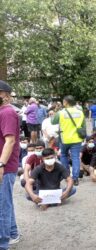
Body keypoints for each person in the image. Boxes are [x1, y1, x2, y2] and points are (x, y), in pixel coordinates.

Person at [0, 80, 20, 249]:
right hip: (4, 165)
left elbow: (10, 140)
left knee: (1, 206)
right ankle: (12, 233)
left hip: (4, 166)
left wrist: (1, 165)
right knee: (5, 201)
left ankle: (2, 243)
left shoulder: (7, 112)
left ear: (4, 95)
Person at [52, 95, 86, 186]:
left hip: (64, 139)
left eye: (63, 101)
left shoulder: (61, 112)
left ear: (66, 102)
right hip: (77, 139)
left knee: (63, 155)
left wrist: (56, 110)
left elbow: (53, 122)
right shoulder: (80, 112)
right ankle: (75, 179)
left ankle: (67, 176)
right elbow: (83, 125)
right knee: (75, 158)